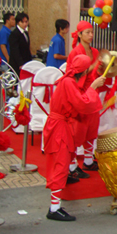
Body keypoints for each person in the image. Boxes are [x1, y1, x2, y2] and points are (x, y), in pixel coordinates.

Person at [43, 54, 105, 222]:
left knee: (60, 162)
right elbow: (83, 104)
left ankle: (55, 205)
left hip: (58, 125)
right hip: (59, 127)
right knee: (60, 164)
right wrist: (92, 87)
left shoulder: (67, 81)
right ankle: (54, 208)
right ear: (83, 70)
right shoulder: (69, 83)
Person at [67, 21, 104, 173]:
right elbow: (70, 75)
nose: (90, 35)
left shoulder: (95, 52)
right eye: (87, 32)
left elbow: (98, 71)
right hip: (80, 94)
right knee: (77, 129)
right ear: (80, 34)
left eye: (91, 32)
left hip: (93, 94)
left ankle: (88, 160)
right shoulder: (75, 53)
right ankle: (72, 164)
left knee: (92, 128)